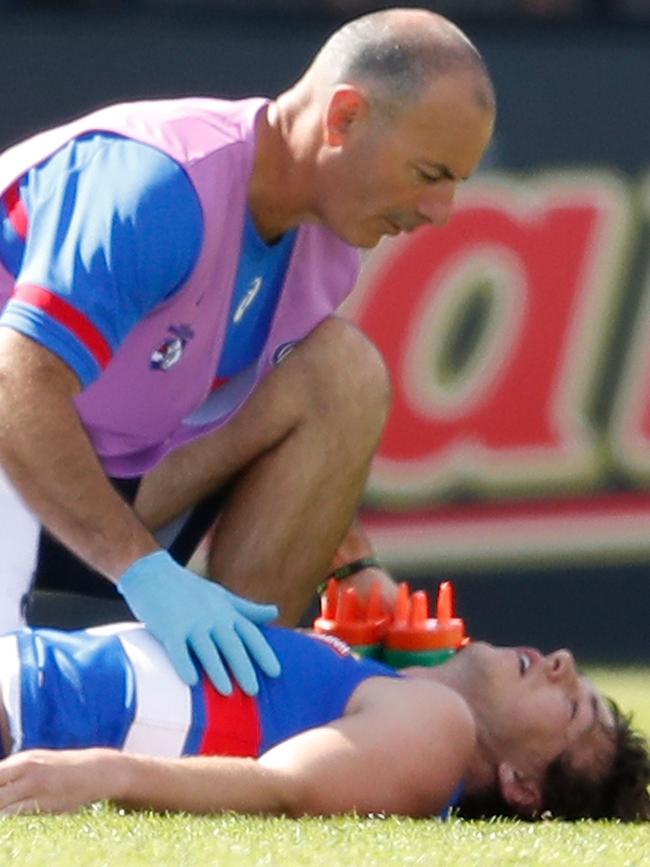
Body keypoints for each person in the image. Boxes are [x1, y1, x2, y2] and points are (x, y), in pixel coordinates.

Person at [0, 8, 496, 695]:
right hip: (18, 461)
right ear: (343, 118)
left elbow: (231, 412)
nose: (440, 211)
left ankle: (229, 704)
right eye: (430, 172)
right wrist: (142, 570)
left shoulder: (330, 247)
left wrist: (351, 566)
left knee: (343, 374)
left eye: (456, 184)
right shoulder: (161, 183)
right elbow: (13, 385)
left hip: (100, 491)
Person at [0, 621, 647, 820]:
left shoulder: (440, 730)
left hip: (35, 708)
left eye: (573, 709)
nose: (564, 659)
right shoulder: (410, 689)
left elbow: (278, 785)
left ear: (521, 784)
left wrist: (100, 771)